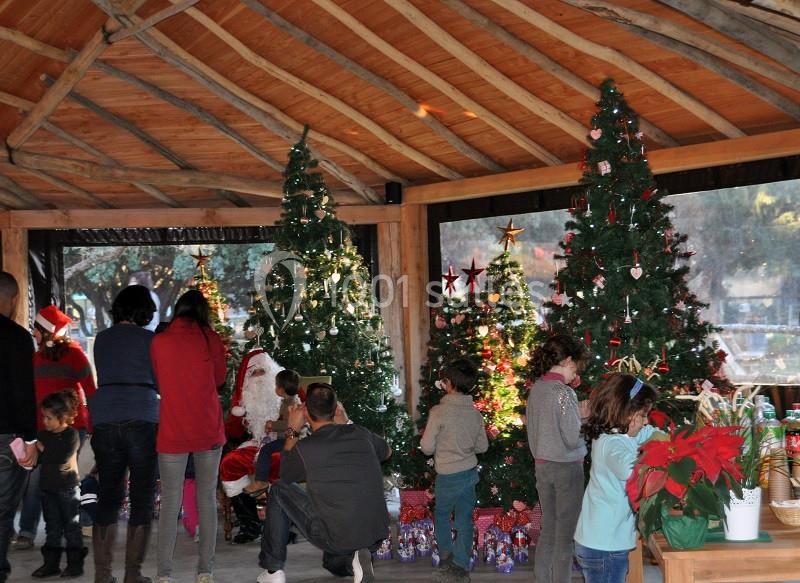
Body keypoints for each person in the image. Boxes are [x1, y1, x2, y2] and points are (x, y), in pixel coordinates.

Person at [257, 383, 391, 583]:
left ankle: (273, 571)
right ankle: (357, 557)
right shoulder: (360, 434)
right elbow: (387, 452)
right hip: (374, 533)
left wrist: (292, 429)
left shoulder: (306, 448)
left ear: (307, 414)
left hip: (335, 536)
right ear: (337, 408)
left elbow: (284, 475)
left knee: (278, 489)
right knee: (332, 563)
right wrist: (346, 422)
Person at [151, 290, 227, 583]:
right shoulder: (211, 339)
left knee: (170, 502)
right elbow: (219, 379)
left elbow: (160, 380)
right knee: (206, 499)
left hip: (172, 428)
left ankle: (164, 574)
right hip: (207, 426)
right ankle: (205, 570)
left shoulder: (159, 341)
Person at [90, 285, 158, 583]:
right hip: (142, 414)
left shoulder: (102, 339)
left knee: (108, 496)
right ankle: (133, 573)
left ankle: (103, 575)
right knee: (141, 498)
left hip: (104, 416)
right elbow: (158, 381)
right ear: (142, 309)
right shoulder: (150, 340)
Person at [16, 305, 96, 552]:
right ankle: (28, 531)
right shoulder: (34, 357)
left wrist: (94, 425)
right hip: (40, 430)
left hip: (72, 429)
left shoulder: (75, 353)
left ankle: (80, 521)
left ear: (47, 331)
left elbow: (91, 390)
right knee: (35, 480)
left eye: (36, 329)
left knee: (68, 478)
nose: (33, 333)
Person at [574, 374, 659, 583]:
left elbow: (651, 434)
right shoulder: (613, 445)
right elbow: (636, 472)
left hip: (602, 541)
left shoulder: (620, 435)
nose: (646, 421)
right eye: (642, 415)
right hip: (604, 546)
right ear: (626, 413)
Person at [526, 334, 590, 583]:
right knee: (565, 536)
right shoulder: (564, 393)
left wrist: (578, 417)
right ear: (568, 361)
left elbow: (542, 429)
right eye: (576, 368)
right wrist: (586, 419)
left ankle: (542, 578)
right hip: (566, 470)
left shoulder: (538, 389)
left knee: (549, 529)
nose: (576, 374)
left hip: (542, 467)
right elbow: (573, 438)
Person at [420, 358, 488, 583]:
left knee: (441, 514)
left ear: (448, 383)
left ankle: (447, 555)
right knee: (465, 519)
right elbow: (482, 447)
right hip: (468, 475)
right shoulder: (475, 414)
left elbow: (427, 447)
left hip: (447, 476)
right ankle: (460, 563)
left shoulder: (439, 412)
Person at [219, 350, 285, 544]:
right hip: (255, 443)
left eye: (262, 372)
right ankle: (250, 524)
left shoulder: (285, 392)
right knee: (230, 462)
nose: (258, 378)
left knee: (277, 461)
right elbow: (233, 433)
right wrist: (236, 416)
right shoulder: (243, 399)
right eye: (253, 373)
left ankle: (282, 524)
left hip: (284, 443)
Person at [0, 271, 37, 583]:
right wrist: (30, 438)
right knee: (1, 512)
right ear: (12, 299)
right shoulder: (17, 337)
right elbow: (23, 391)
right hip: (6, 437)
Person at [31, 390, 87, 579]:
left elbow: (61, 457)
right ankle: (51, 564)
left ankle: (75, 565)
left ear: (62, 417)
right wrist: (28, 455)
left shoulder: (72, 435)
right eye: (43, 417)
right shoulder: (43, 435)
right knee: (52, 527)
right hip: (48, 489)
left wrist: (40, 449)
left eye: (48, 418)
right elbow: (37, 460)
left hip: (68, 490)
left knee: (72, 527)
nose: (45, 422)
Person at [246, 369, 302, 496]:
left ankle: (261, 481)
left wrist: (273, 425)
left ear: (281, 390)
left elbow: (291, 424)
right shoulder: (288, 401)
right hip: (286, 437)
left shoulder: (292, 404)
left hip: (292, 439)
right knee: (266, 447)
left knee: (266, 450)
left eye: (276, 385)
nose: (275, 388)